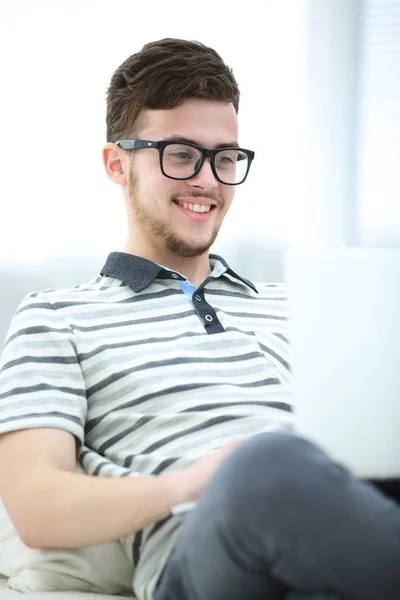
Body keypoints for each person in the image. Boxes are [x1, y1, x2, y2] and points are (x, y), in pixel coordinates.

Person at [0, 38, 399, 600]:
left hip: (330, 538)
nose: (209, 181)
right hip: (204, 561)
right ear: (117, 163)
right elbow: (36, 505)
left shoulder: (304, 303)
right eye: (182, 154)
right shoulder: (56, 318)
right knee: (265, 467)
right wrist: (194, 484)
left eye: (226, 157)